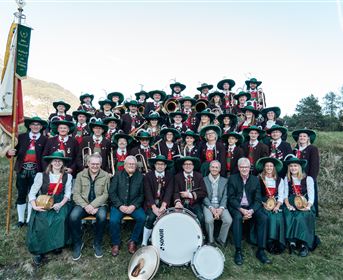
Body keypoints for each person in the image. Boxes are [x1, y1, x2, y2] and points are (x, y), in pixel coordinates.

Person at [26, 151, 73, 265]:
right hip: (44, 203)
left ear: (63, 163)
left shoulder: (68, 176)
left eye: (60, 161)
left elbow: (67, 194)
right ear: (51, 162)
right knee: (43, 222)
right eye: (55, 160)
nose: (57, 162)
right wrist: (34, 206)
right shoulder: (41, 175)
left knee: (60, 219)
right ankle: (40, 251)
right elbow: (32, 193)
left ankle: (56, 244)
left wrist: (60, 204)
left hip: (59, 202)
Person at [227, 157, 270, 265]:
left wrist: (251, 211)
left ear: (250, 168)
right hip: (237, 207)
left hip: (251, 207)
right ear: (238, 167)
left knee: (263, 217)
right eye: (242, 167)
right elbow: (230, 198)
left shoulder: (255, 180)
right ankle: (238, 250)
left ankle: (261, 250)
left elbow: (258, 199)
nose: (244, 169)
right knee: (237, 217)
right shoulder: (232, 178)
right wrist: (241, 210)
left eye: (246, 167)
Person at [6, 117, 48, 227]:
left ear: (41, 127)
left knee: (32, 194)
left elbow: (45, 156)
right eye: (33, 124)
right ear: (29, 126)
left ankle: (29, 219)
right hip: (22, 170)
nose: (35, 126)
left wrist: (44, 171)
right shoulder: (21, 137)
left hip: (37, 171)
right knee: (21, 194)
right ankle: (21, 220)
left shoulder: (44, 139)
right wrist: (9, 152)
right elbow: (13, 150)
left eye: (38, 125)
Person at [69, 153, 110, 260]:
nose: (95, 166)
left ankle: (97, 242)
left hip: (99, 205)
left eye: (97, 164)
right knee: (73, 217)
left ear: (101, 164)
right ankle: (78, 243)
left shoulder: (105, 175)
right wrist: (86, 206)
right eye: (92, 164)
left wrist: (93, 205)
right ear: (88, 163)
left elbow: (106, 194)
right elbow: (76, 194)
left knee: (102, 216)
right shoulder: (80, 175)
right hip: (83, 204)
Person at [283, 156, 320, 257]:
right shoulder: (287, 179)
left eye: (295, 166)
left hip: (305, 202)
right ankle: (292, 241)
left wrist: (308, 206)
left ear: (299, 167)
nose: (293, 168)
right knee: (288, 215)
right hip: (291, 202)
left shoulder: (308, 179)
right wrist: (288, 205)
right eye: (291, 166)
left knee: (303, 216)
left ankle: (304, 244)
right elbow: (285, 195)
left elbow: (311, 197)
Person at [109, 156, 146, 256]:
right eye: (129, 164)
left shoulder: (140, 177)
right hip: (119, 205)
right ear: (124, 165)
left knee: (142, 218)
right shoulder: (117, 175)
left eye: (133, 164)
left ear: (136, 166)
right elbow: (112, 193)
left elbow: (142, 195)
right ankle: (116, 243)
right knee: (113, 220)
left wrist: (134, 206)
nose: (131, 166)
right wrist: (120, 205)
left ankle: (133, 241)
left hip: (134, 206)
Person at [141, 155, 174, 246]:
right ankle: (144, 241)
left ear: (165, 166)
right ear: (154, 165)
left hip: (164, 203)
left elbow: (169, 191)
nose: (160, 166)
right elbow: (147, 192)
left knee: (166, 217)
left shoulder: (170, 176)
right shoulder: (148, 176)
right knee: (151, 217)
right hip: (151, 203)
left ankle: (163, 240)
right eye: (158, 164)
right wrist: (154, 207)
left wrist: (163, 206)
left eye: (162, 164)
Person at [255, 157, 286, 254]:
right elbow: (257, 194)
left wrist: (277, 205)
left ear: (274, 168)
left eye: (271, 166)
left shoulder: (279, 180)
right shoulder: (259, 178)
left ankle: (276, 240)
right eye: (267, 166)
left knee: (278, 217)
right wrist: (262, 203)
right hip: (263, 202)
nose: (269, 168)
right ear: (264, 167)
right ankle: (267, 241)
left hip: (275, 202)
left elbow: (281, 195)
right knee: (267, 216)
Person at [203, 160, 232, 246]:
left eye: (216, 167)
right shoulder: (204, 180)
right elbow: (204, 196)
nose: (214, 169)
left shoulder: (224, 181)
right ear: (209, 168)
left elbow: (225, 196)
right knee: (208, 220)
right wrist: (211, 208)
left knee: (228, 220)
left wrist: (221, 208)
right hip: (208, 205)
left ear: (219, 169)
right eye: (212, 167)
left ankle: (221, 240)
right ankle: (211, 240)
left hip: (220, 205)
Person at [292, 129, 320, 217]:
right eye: (300, 136)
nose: (302, 138)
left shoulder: (312, 149)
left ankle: (310, 210)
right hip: (296, 177)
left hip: (307, 177)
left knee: (309, 194)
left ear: (308, 138)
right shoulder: (295, 150)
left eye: (304, 136)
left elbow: (315, 165)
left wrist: (311, 177)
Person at [173, 157, 207, 230]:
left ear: (193, 166)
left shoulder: (199, 176)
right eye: (186, 164)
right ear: (182, 166)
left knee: (200, 217)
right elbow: (175, 192)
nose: (188, 166)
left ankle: (202, 236)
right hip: (181, 203)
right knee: (179, 219)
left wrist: (190, 195)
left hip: (195, 203)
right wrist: (177, 202)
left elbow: (204, 192)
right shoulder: (177, 177)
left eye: (190, 164)